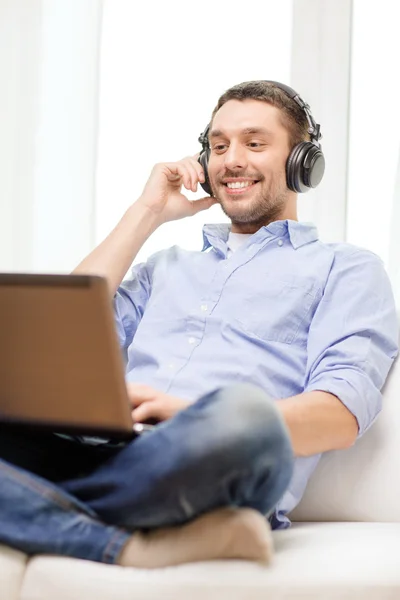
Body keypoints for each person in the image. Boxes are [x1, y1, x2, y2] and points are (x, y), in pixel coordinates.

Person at [0, 80, 398, 569]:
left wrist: (189, 412)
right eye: (218, 146)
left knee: (245, 414)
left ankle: (37, 505)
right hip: (107, 456)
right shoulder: (163, 268)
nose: (231, 160)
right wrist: (146, 212)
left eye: (254, 143)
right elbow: (58, 340)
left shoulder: (347, 268)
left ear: (302, 162)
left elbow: (339, 415)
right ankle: (121, 542)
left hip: (211, 460)